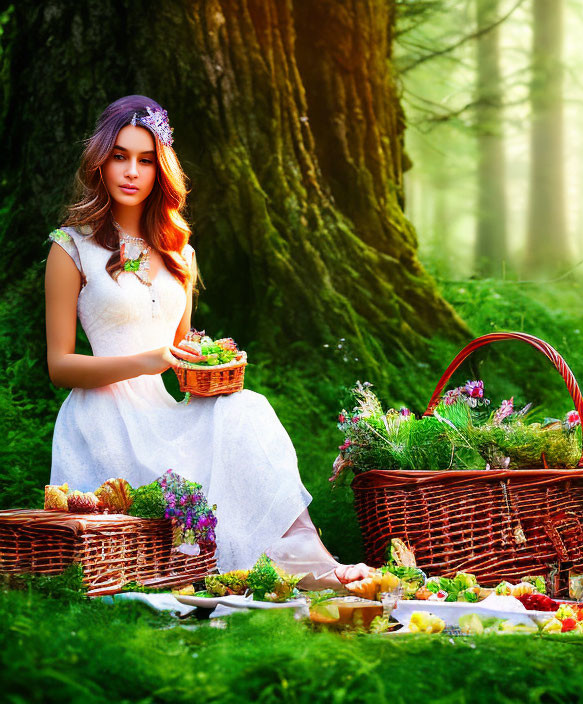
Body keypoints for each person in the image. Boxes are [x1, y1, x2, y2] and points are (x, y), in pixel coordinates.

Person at [45, 95, 368, 587]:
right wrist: (147, 360)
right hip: (104, 424)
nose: (132, 171)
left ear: (161, 170)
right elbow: (60, 366)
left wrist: (207, 360)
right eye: (120, 156)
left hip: (161, 413)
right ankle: (258, 568)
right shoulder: (71, 247)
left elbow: (181, 354)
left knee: (246, 407)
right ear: (101, 162)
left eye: (146, 160)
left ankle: (307, 561)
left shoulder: (181, 254)